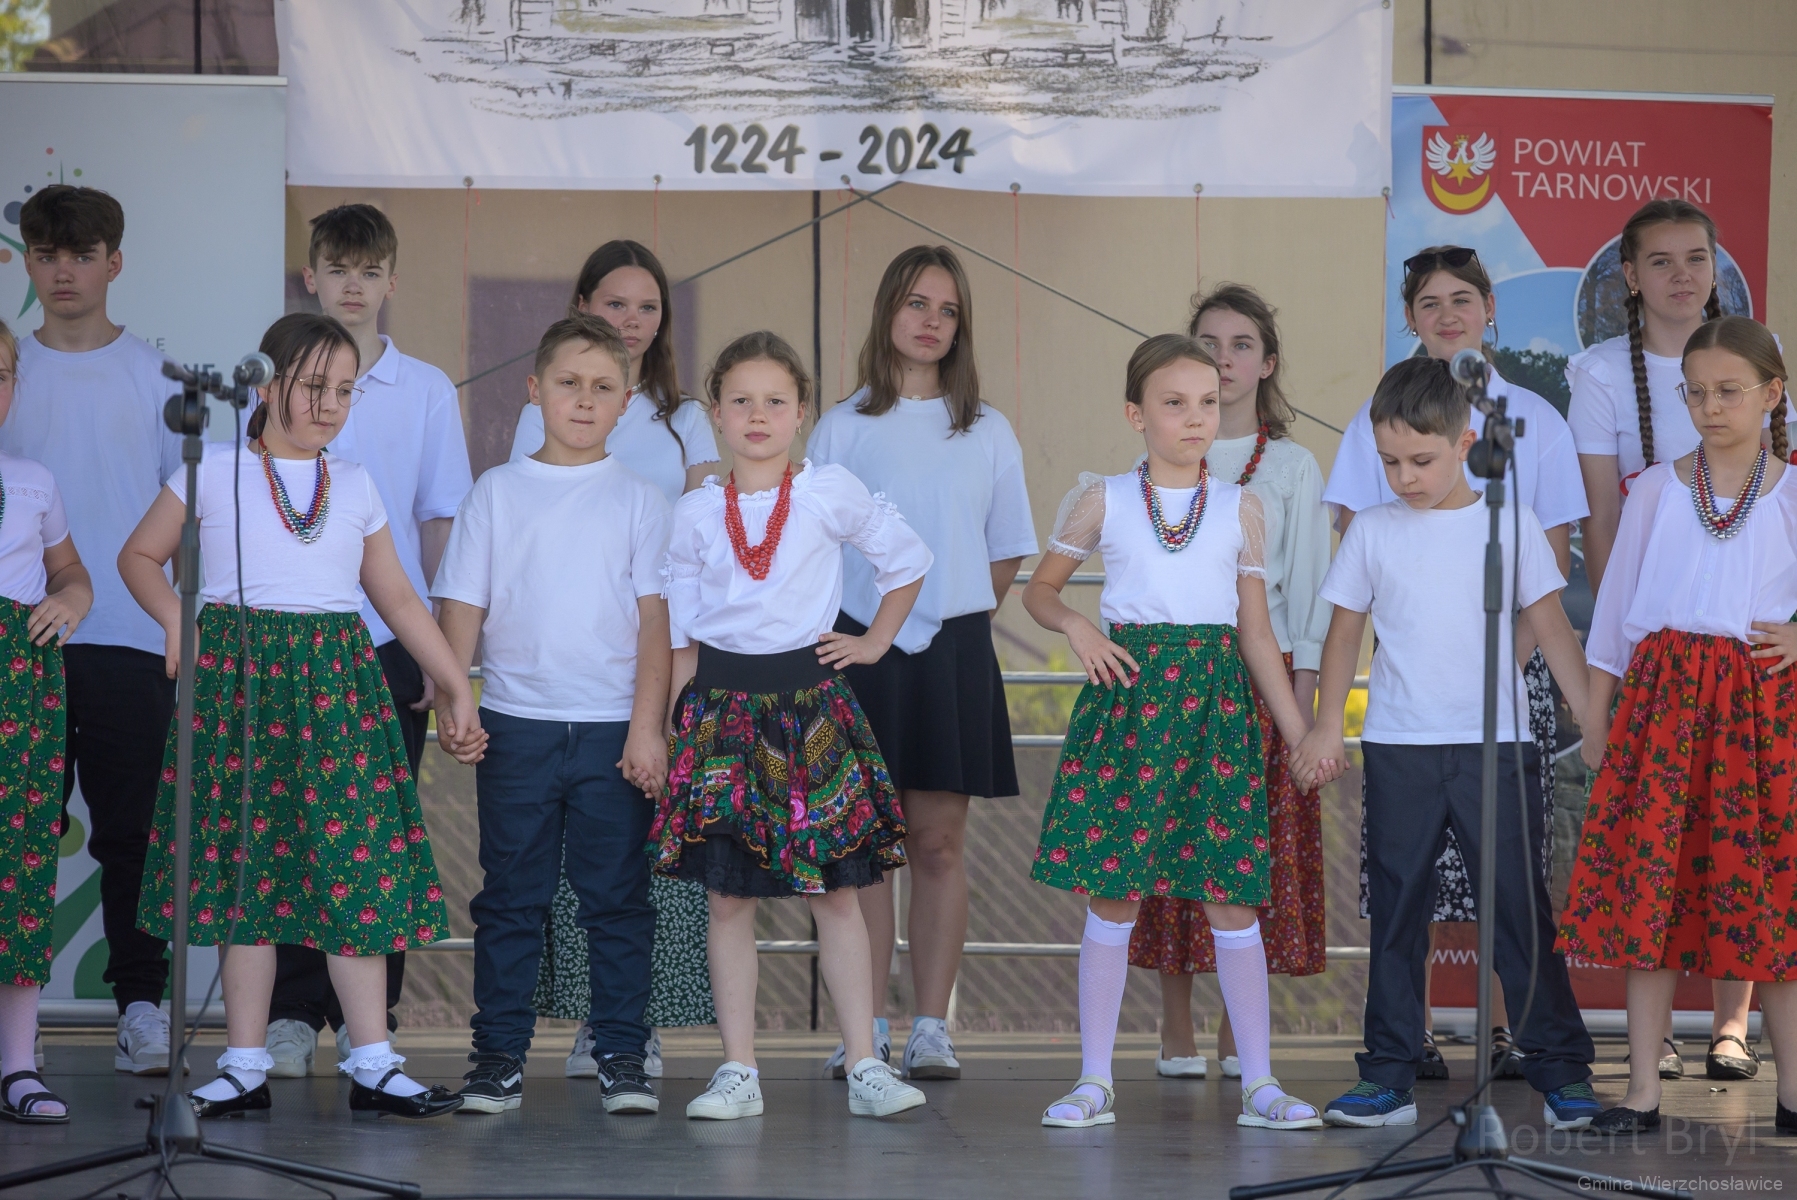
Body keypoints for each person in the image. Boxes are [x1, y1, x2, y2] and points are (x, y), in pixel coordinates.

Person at [118, 313, 484, 1121]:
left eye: (344, 391)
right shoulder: (214, 470)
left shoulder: (352, 483)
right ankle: (242, 1064)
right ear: (265, 384)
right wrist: (177, 622)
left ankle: (373, 1061)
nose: (329, 405)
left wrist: (453, 681)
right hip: (238, 685)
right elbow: (139, 555)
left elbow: (397, 597)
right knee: (246, 875)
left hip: (335, 688)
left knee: (351, 867)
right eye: (313, 386)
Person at [1024, 333, 1335, 1130]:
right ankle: (1094, 1080)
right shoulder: (1103, 498)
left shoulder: (1241, 507)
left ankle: (1259, 1083)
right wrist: (1079, 629)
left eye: (1206, 402)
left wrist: (1299, 733)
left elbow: (1256, 634)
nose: (1195, 418)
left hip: (1216, 712)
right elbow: (1040, 591)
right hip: (1130, 704)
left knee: (1231, 898)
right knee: (1115, 891)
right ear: (1136, 414)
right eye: (1173, 403)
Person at [1293, 356, 1599, 1132]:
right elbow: (1341, 635)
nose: (1404, 477)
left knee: (1517, 912)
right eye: (1389, 461)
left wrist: (1592, 720)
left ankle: (1560, 1073)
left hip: (1497, 746)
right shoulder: (1370, 530)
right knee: (1398, 912)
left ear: (1466, 442)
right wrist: (1327, 723)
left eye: (1420, 460)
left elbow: (1552, 627)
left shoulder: (1510, 522)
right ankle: (1387, 1076)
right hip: (1399, 745)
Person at [652, 331, 932, 1121]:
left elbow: (907, 560)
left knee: (836, 894)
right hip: (720, 713)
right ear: (714, 413)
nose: (757, 415)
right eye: (739, 400)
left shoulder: (827, 491)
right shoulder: (695, 512)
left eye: (775, 401)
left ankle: (865, 1061)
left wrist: (873, 642)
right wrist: (675, 717)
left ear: (801, 411)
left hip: (810, 708)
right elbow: (681, 628)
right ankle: (738, 1070)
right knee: (726, 900)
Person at [1558, 316, 1797, 1136]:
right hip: (1661, 709)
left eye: (1728, 390)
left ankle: (1793, 1095)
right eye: (1694, 393)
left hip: (1760, 716)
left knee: (1768, 897)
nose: (1710, 406)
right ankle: (1640, 1092)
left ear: (1771, 394)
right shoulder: (1656, 490)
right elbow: (1614, 613)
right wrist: (1596, 717)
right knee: (1649, 892)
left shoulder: (1791, 492)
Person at [807, 245, 1037, 1079]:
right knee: (862, 851)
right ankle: (863, 1030)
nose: (931, 321)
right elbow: (812, 549)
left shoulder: (987, 428)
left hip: (951, 654)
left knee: (937, 844)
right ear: (886, 312)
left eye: (947, 309)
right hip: (853, 651)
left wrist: (949, 618)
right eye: (915, 303)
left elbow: (1006, 550)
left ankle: (930, 1027)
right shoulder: (840, 427)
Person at [435, 315, 670, 1117]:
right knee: (510, 899)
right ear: (534, 391)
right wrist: (455, 699)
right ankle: (497, 1058)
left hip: (611, 731)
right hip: (515, 725)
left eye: (603, 387)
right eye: (569, 383)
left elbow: (655, 624)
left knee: (617, 901)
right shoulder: (495, 492)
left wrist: (647, 727)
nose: (584, 399)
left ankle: (622, 1057)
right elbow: (462, 605)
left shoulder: (641, 501)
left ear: (626, 403)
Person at [262, 203, 474, 1079]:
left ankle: (368, 1023)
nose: (353, 285)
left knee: (377, 833)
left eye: (369, 270)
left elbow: (441, 521)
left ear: (392, 282)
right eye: (338, 268)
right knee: (286, 828)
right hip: (288, 637)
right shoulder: (272, 378)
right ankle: (287, 1013)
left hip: (388, 639)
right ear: (310, 276)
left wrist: (441, 652)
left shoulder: (424, 388)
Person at [509, 240, 719, 1080]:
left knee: (651, 847)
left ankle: (635, 1023)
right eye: (614, 304)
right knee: (574, 855)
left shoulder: (684, 416)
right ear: (582, 305)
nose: (631, 321)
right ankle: (586, 1022)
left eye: (647, 307)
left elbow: (705, 529)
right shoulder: (545, 405)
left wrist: (687, 658)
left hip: (666, 648)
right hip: (573, 658)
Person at [1566, 200, 1754, 1082]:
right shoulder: (1601, 370)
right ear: (1629, 278)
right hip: (1659, 640)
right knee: (1662, 841)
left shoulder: (1755, 352)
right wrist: (1634, 630)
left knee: (1739, 839)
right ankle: (1655, 1042)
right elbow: (1603, 515)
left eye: (1696, 259)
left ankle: (1731, 1023)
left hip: (1745, 647)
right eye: (1660, 261)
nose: (1681, 275)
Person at [1128, 286, 1332, 1080]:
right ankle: (1174, 1018)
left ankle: (1233, 1025)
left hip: (1262, 678)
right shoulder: (1160, 451)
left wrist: (1304, 711)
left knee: (1246, 858)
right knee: (1167, 843)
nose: (1222, 358)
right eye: (1207, 343)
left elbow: (1307, 593)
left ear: (1266, 362)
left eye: (1240, 344)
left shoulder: (1289, 466)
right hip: (1172, 673)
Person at [2, 185, 182, 1076]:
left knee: (133, 835)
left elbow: (187, 512)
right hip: (18, 648)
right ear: (27, 262)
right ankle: (17, 1029)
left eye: (81, 254)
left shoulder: (159, 375)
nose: (63, 271)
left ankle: (141, 1007)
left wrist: (182, 626)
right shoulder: (9, 366)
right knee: (16, 837)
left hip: (128, 636)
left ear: (115, 262)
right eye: (46, 254)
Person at [0, 318, 94, 1125]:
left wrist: (69, 599)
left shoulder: (32, 480)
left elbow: (72, 572)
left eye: (0, 374)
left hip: (20, 686)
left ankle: (17, 1063)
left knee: (21, 862)